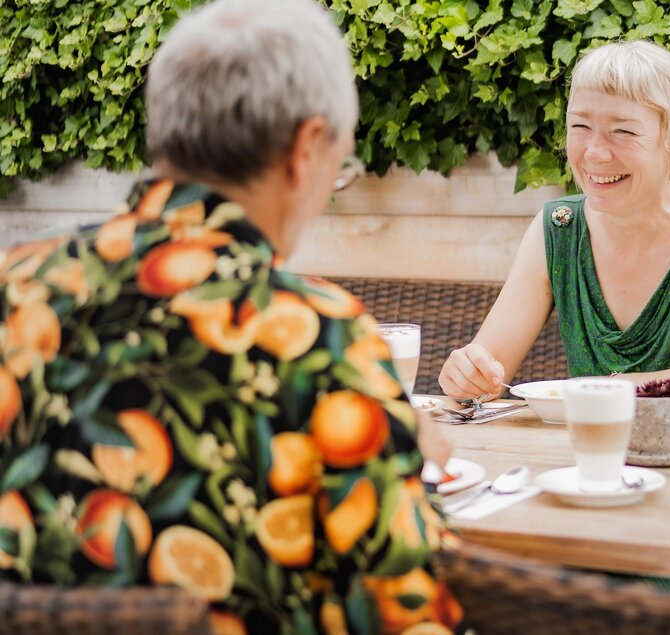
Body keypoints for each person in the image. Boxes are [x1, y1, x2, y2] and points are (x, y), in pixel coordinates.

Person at [0, 1, 462, 633]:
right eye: (342, 165)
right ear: (304, 151)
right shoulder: (319, 334)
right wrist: (415, 464)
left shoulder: (16, 287)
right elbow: (400, 605)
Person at [439, 40, 670, 417]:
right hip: (593, 463)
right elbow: (489, 373)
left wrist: (602, 389)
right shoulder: (559, 228)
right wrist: (467, 378)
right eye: (580, 126)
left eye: (623, 132)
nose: (595, 153)